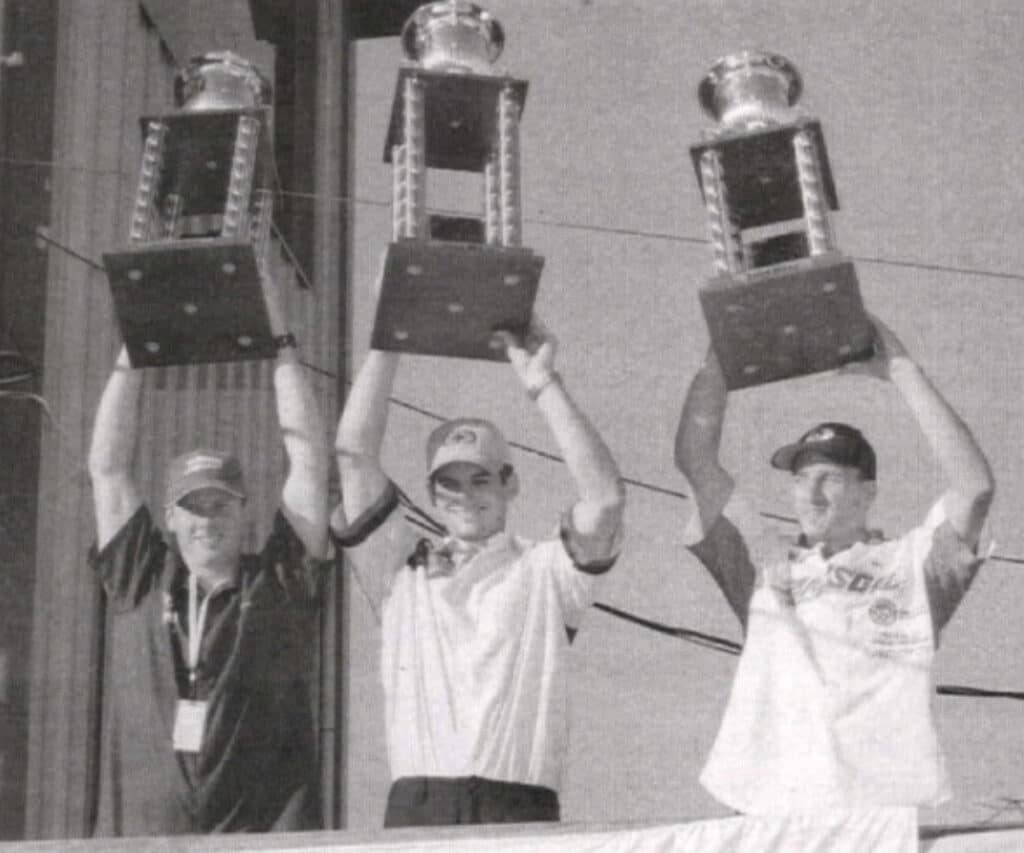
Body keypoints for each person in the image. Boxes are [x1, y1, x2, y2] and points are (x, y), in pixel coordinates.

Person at [674, 315, 995, 815]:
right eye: (801, 479)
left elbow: (974, 487)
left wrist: (903, 371)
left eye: (829, 477)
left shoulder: (912, 567)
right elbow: (696, 459)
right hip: (769, 812)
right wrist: (719, 358)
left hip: (874, 816)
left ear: (867, 492)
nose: (811, 493)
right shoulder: (767, 563)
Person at [332, 317, 625, 827]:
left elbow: (604, 499)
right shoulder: (400, 568)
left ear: (510, 485)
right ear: (431, 495)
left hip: (520, 806)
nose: (465, 497)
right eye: (449, 484)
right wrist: (390, 336)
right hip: (420, 808)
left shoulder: (545, 570)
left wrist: (543, 384)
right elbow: (353, 455)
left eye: (480, 479)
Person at [86, 272, 330, 835]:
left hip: (259, 836)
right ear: (169, 518)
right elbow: (107, 467)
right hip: (146, 837)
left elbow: (310, 461)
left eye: (221, 505)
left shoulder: (279, 581)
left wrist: (280, 342)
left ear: (244, 510)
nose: (207, 520)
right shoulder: (140, 579)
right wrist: (135, 341)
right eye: (192, 507)